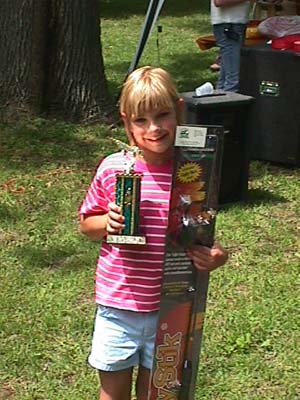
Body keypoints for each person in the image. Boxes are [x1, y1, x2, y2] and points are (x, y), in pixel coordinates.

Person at [79, 66, 229, 400]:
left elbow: (201, 229)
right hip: (119, 308)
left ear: (178, 110)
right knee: (113, 393)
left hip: (172, 307)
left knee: (158, 393)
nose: (154, 128)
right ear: (126, 122)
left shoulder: (192, 172)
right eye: (141, 120)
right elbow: (87, 224)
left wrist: (218, 255)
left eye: (162, 115)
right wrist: (107, 222)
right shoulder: (113, 169)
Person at [210, 0, 251, 92]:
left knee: (226, 76)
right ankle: (229, 102)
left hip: (233, 23)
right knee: (233, 80)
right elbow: (219, 2)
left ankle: (219, 99)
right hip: (229, 24)